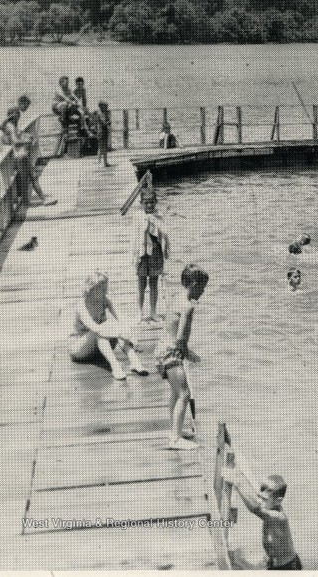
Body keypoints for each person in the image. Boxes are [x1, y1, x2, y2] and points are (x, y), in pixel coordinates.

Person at [156, 264, 209, 450]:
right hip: (171, 353)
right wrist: (189, 354)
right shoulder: (188, 307)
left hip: (161, 350)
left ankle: (174, 431)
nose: (203, 292)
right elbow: (180, 338)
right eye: (202, 288)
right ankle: (176, 439)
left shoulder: (177, 298)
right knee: (184, 394)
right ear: (194, 285)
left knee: (175, 392)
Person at [68, 272, 148, 380]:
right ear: (91, 289)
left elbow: (121, 318)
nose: (106, 291)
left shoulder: (105, 299)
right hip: (79, 349)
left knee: (116, 326)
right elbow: (95, 328)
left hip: (97, 348)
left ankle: (135, 362)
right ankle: (115, 366)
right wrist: (119, 333)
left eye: (106, 288)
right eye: (102, 289)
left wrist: (128, 333)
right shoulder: (81, 305)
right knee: (101, 330)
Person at [222, 469, 302, 570]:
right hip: (274, 564)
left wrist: (237, 484)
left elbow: (255, 509)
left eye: (264, 499)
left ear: (278, 501)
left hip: (289, 567)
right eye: (259, 497)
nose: (259, 501)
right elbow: (259, 500)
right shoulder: (270, 507)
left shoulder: (279, 517)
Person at [132, 189, 169, 323]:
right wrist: (134, 255)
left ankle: (153, 312)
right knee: (141, 284)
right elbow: (134, 237)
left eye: (152, 202)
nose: (149, 206)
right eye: (146, 203)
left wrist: (166, 249)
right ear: (141, 203)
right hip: (142, 253)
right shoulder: (137, 216)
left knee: (154, 283)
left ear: (156, 202)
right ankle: (139, 313)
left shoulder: (159, 215)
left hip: (155, 252)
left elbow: (164, 234)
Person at [92, 101, 112, 167]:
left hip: (100, 131)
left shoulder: (98, 113)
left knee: (100, 147)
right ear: (101, 107)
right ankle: (105, 163)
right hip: (102, 131)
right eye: (105, 106)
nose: (106, 108)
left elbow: (96, 123)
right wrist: (109, 122)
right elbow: (104, 123)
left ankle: (99, 161)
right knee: (104, 147)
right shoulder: (101, 114)